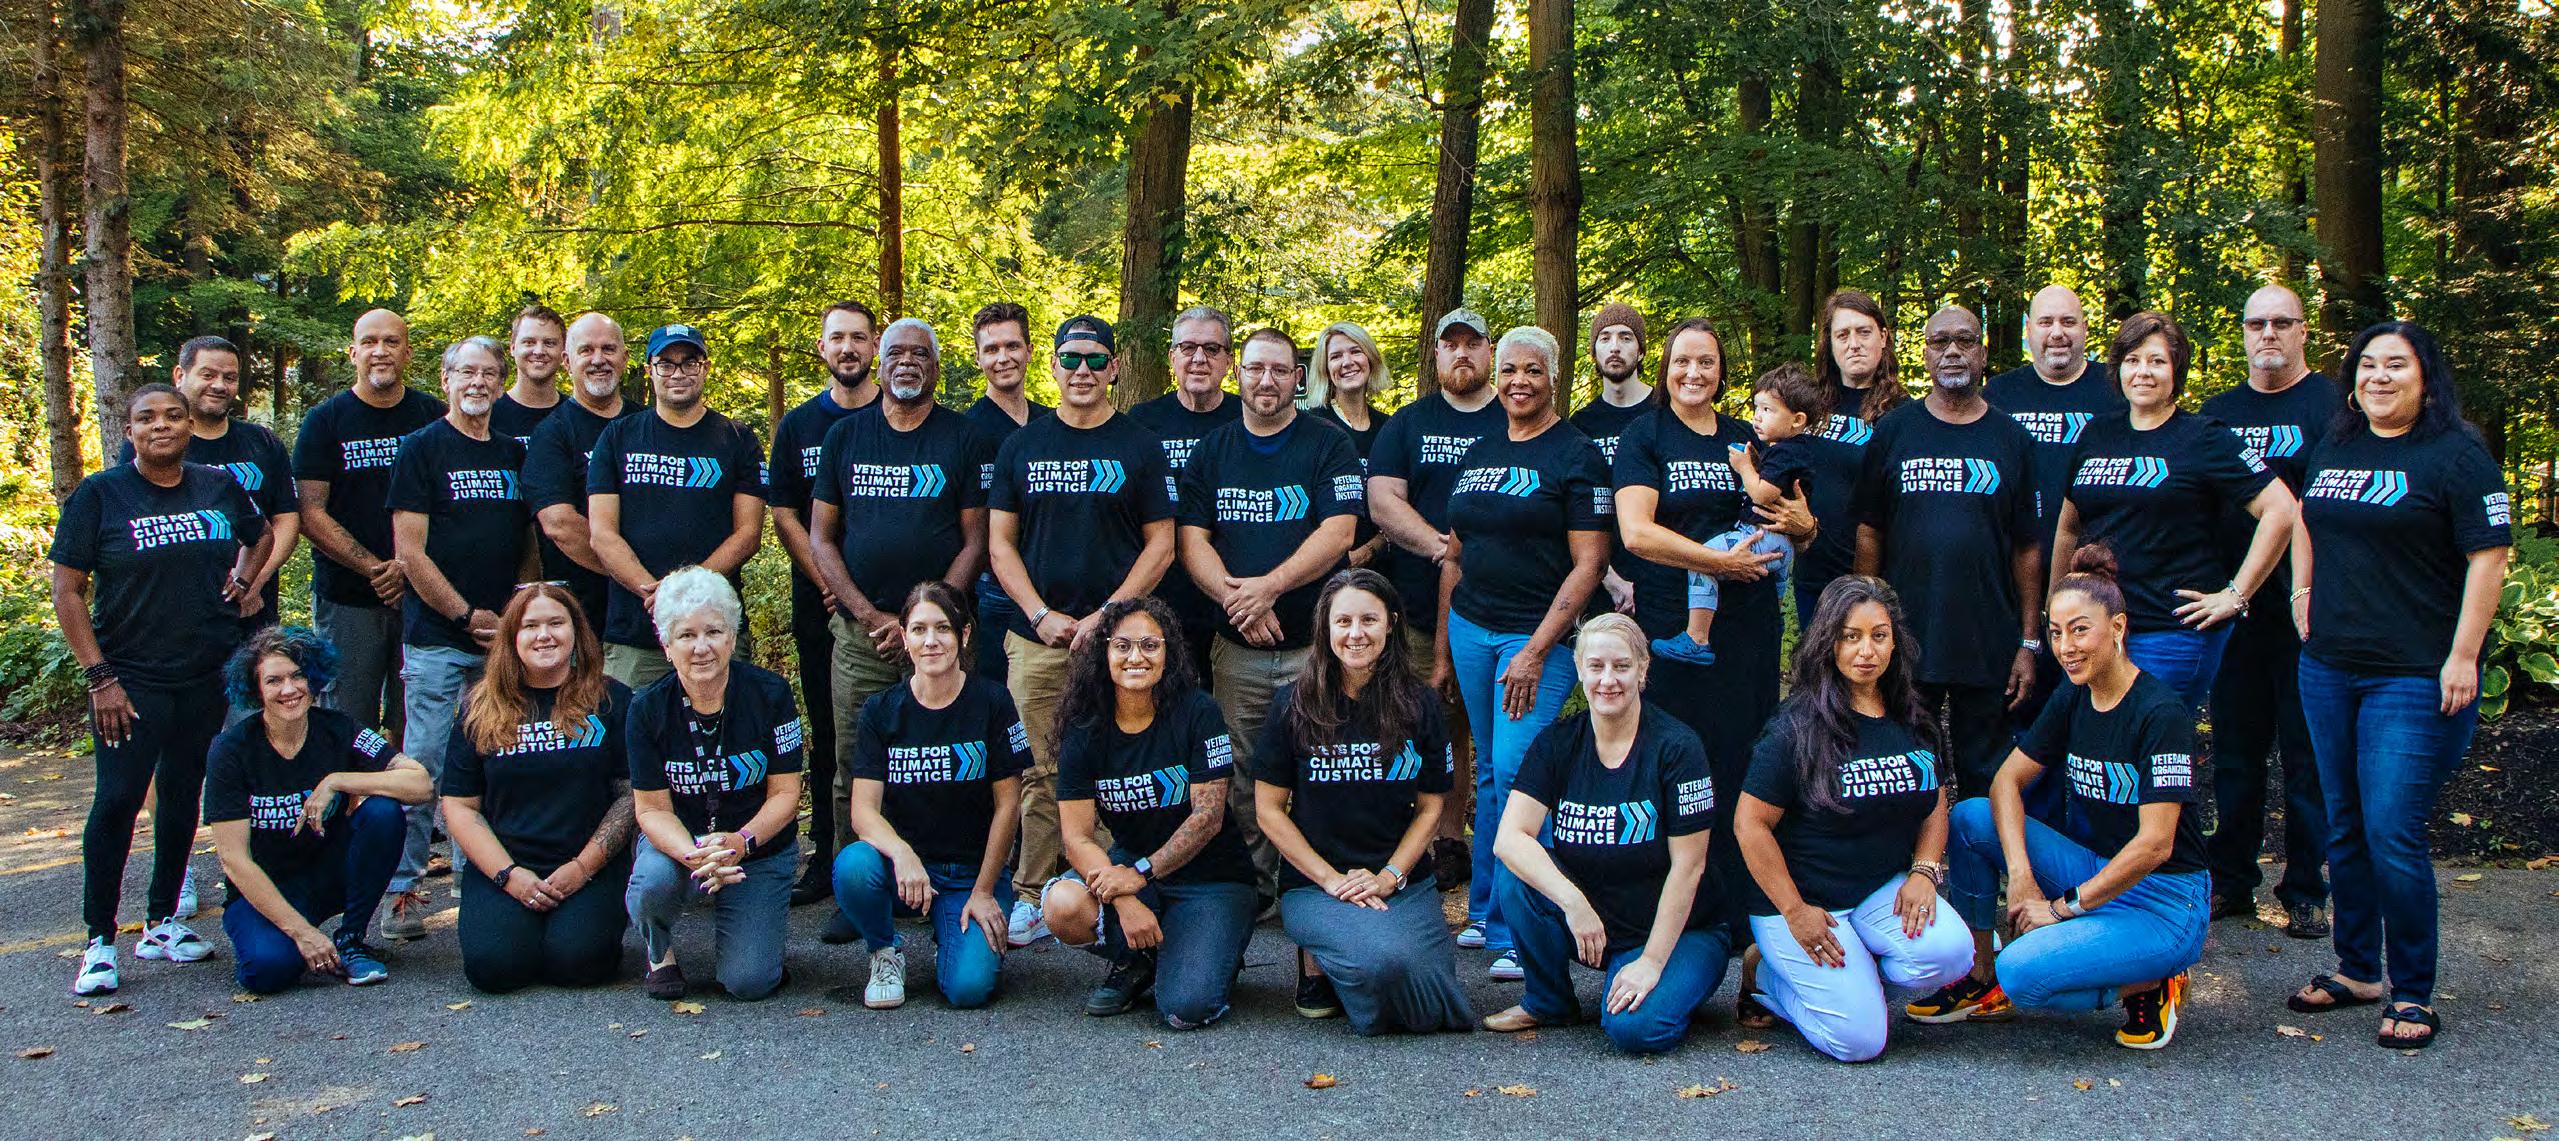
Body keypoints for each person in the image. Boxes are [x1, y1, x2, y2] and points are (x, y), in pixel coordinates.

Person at [2285, 321, 2510, 1051]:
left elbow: (2489, 556)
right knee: (2343, 823)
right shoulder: (2338, 442)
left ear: (2426, 378)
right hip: (2328, 666)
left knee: (2390, 828)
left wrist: (2463, 655)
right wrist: (2301, 591)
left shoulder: (2457, 455)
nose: (2378, 376)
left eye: (2396, 365)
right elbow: (2305, 517)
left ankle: (2411, 988)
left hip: (2412, 674)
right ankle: (2357, 970)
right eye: (2367, 365)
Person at [1907, 545, 2210, 1051]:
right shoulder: (2074, 693)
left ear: (2118, 628)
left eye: (2080, 630)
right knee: (1971, 817)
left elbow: (2156, 845)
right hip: (2099, 868)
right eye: (2055, 632)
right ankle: (1980, 977)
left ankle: (2151, 981)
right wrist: (2021, 877)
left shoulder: (2161, 714)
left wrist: (2063, 909)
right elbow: (2006, 781)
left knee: (2023, 974)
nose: (2065, 647)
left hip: (2166, 901)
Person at [53, 384, 271, 995]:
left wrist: (244, 581)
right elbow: (68, 591)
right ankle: (99, 940)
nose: (162, 426)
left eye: (174, 415)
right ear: (129, 431)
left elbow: (260, 535)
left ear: (188, 426)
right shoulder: (101, 495)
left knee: (181, 796)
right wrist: (100, 677)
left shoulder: (215, 485)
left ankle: (161, 923)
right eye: (146, 418)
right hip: (130, 679)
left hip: (204, 672)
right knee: (118, 801)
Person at [1612, 318, 1815, 932]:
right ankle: (1671, 909)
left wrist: (1805, 527)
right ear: (1664, 368)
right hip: (1675, 630)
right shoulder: (1645, 435)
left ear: (1722, 373)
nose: (1693, 373)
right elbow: (1636, 533)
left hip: (1748, 633)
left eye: (1706, 362)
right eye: (1682, 361)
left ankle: (1739, 913)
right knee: (1676, 761)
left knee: (1741, 760)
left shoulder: (1745, 437)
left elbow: (1794, 516)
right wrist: (1717, 563)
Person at [988, 315, 1177, 948]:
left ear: (1114, 368)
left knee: (1121, 762)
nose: (1083, 371)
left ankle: (1109, 885)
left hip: (1121, 643)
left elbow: (1162, 543)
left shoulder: (1139, 445)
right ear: (1053, 366)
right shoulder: (1022, 446)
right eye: (1071, 359)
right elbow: (1000, 544)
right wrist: (1039, 613)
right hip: (1037, 637)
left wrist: (1108, 619)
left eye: (1096, 359)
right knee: (1039, 769)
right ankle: (1032, 892)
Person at [1732, 577, 1972, 1062]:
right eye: (1851, 636)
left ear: (1894, 642)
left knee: (1952, 954)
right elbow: (1749, 824)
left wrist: (1925, 871)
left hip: (1877, 891)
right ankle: (1767, 980)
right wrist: (1794, 911)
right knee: (1858, 1042)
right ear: (1828, 642)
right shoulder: (1796, 727)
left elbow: (1934, 800)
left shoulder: (1912, 716)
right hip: (1804, 904)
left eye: (1879, 636)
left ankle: (1853, 977)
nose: (1867, 651)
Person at [1435, 325, 1613, 979]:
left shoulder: (1577, 454)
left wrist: (1536, 650)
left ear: (1553, 378)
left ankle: (1525, 928)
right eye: (1509, 369)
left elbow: (1590, 563)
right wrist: (1442, 651)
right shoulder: (1480, 447)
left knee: (1517, 773)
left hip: (1535, 636)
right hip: (1470, 628)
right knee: (1487, 772)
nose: (1518, 381)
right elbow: (1455, 555)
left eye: (1533, 370)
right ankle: (1486, 912)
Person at [809, 317, 992, 941]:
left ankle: (954, 884)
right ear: (880, 363)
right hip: (863, 635)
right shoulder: (844, 436)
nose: (907, 362)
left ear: (936, 366)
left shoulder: (963, 438)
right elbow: (822, 538)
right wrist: (870, 616)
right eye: (895, 353)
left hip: (943, 636)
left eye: (920, 353)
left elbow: (976, 539)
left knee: (955, 761)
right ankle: (854, 891)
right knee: (852, 763)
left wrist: (932, 617)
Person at [1480, 614, 1725, 1053]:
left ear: (1643, 670)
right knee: (1519, 873)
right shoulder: (1557, 743)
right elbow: (1510, 838)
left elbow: (1689, 868)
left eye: (1621, 666)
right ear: (1579, 670)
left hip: (1680, 929)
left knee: (1636, 1030)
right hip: (1593, 920)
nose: (1608, 680)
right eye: (1595, 666)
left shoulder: (1677, 747)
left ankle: (1667, 978)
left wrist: (1651, 963)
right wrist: (1572, 902)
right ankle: (1548, 1001)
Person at [1178, 327, 1363, 893]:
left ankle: (1313, 882)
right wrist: (1241, 602)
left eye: (1280, 370)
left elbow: (1340, 532)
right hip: (1238, 647)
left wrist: (1270, 588)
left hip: (1317, 645)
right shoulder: (1212, 451)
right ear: (1238, 373)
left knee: (1325, 764)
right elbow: (1191, 541)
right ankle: (1254, 886)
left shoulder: (1328, 444)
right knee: (1242, 768)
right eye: (1256, 368)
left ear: (1298, 378)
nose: (1267, 380)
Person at [1253, 569, 1474, 1035]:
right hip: (1316, 883)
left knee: (1439, 1002)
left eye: (1369, 620)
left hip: (1402, 879)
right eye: (1344, 621)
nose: (1356, 633)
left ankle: (1344, 957)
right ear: (1325, 627)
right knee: (1386, 964)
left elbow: (1431, 807)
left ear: (1391, 623)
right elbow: (1268, 810)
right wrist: (1332, 880)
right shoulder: (1292, 704)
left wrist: (1390, 877)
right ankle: (1322, 958)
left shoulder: (1420, 704)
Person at [2050, 311, 2298, 713]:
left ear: (2176, 370)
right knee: (2099, 740)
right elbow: (2068, 528)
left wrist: (2235, 596)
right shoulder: (2097, 434)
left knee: (2143, 737)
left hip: (2170, 634)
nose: (2143, 372)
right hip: (2097, 630)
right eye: (2132, 360)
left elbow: (2281, 510)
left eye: (2157, 361)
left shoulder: (2204, 437)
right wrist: (2056, 607)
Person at [1041, 598, 1258, 1028]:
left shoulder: (1198, 712)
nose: (1135, 657)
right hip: (1132, 872)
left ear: (1168, 653)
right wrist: (1124, 899)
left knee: (1187, 1007)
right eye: (1122, 646)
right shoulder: (1085, 728)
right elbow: (1077, 837)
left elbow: (1207, 819)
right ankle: (1136, 959)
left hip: (1212, 879)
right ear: (1104, 653)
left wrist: (1141, 873)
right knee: (1063, 903)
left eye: (1149, 645)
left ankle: (1203, 951)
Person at [1852, 306, 2042, 797]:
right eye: (1940, 342)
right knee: (1909, 772)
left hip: (1989, 639)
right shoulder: (1894, 432)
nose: (1952, 351)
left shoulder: (2013, 439)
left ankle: (1979, 851)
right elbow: (1869, 531)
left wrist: (2028, 642)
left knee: (1988, 778)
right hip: (1909, 636)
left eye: (1964, 340)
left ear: (1983, 353)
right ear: (1925, 354)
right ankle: (1919, 851)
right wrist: (1869, 618)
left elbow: (2028, 547)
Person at [381, 335, 534, 940]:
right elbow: (409, 551)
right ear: (445, 380)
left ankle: (481, 882)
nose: (478, 383)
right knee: (424, 765)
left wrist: (520, 610)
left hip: (501, 642)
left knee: (494, 761)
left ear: (501, 381)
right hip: (438, 639)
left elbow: (526, 540)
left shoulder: (511, 451)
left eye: (489, 373)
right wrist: (465, 614)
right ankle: (402, 889)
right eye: (466, 372)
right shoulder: (421, 448)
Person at [2201, 285, 2341, 935]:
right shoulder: (2217, 414)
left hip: (2308, 612)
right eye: (2256, 323)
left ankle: (2306, 887)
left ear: (2303, 331)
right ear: (2242, 331)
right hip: (2232, 609)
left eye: (2281, 322)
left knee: (2306, 755)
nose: (2268, 334)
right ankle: (2232, 879)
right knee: (2234, 754)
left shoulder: (2333, 407)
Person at [205, 626, 433, 994]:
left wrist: (338, 781)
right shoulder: (231, 750)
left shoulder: (339, 729)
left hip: (329, 874)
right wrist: (302, 933)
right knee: (267, 970)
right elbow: (234, 860)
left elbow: (420, 783)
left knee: (383, 812)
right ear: (256, 689)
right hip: (266, 885)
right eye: (274, 680)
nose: (289, 689)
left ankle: (352, 939)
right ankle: (299, 939)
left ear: (312, 680)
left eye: (297, 676)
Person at [833, 581, 1027, 1010]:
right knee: (853, 866)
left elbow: (1008, 806)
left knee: (968, 990)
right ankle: (885, 951)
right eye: (919, 630)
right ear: (904, 637)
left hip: (971, 872)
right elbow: (863, 812)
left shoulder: (993, 702)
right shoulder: (881, 710)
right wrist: (902, 853)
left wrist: (983, 891)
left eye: (943, 628)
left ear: (964, 634)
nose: (931, 640)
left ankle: (953, 938)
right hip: (906, 870)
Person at [442, 585, 635, 994]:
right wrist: (508, 876)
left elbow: (630, 795)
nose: (544, 635)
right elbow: (460, 806)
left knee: (578, 963)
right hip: (506, 862)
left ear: (576, 632)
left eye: (555, 623)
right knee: (494, 969)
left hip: (588, 864)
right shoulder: (479, 706)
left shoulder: (612, 699)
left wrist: (582, 868)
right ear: (512, 637)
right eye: (530, 626)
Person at [625, 567, 806, 1001]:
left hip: (756, 845)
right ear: (667, 646)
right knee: (652, 882)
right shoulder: (647, 709)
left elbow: (786, 793)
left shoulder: (771, 695)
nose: (701, 647)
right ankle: (659, 951)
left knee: (749, 982)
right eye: (686, 635)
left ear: (732, 637)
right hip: (681, 844)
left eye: (713, 632)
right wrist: (697, 855)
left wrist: (741, 841)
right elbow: (651, 809)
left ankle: (755, 940)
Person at [1367, 307, 1503, 885]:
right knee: (1424, 725)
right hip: (1418, 610)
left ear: (1490, 351)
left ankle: (1456, 841)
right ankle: (1408, 840)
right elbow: (1383, 500)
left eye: (1473, 343)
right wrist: (1444, 549)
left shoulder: (1514, 415)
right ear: (1437, 354)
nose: (1462, 353)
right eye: (1452, 344)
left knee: (1478, 733)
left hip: (1502, 608)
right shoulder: (1409, 423)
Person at [770, 301, 883, 904]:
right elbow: (785, 513)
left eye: (859, 338)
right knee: (832, 731)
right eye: (837, 337)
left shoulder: (901, 416)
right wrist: (828, 580)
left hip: (895, 614)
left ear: (875, 347)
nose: (848, 348)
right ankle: (830, 857)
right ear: (822, 347)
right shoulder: (799, 426)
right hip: (821, 607)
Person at [586, 324, 767, 687]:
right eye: (666, 364)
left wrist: (685, 593)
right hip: (636, 633)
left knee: (723, 721)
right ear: (649, 370)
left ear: (706, 368)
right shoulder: (618, 436)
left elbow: (748, 534)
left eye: (689, 362)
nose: (678, 373)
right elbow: (602, 534)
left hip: (715, 629)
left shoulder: (737, 439)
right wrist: (658, 595)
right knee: (632, 721)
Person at [293, 308, 446, 731]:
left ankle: (402, 781)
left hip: (423, 596)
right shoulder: (325, 421)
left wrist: (409, 569)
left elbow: (450, 504)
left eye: (391, 342)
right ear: (353, 353)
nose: (380, 351)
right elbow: (309, 511)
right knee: (345, 720)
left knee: (412, 720)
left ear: (408, 353)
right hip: (348, 598)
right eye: (370, 342)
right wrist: (377, 569)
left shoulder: (433, 416)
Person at [1987, 286, 2123, 726]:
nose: (2057, 333)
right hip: (2011, 580)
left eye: (2068, 322)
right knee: (2018, 711)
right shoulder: (1999, 395)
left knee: (2092, 710)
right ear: (2028, 330)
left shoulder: (2115, 392)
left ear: (2085, 328)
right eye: (2046, 322)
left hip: (2096, 579)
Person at [120, 335, 300, 634]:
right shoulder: (155, 444)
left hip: (254, 613)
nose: (219, 385)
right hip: (174, 616)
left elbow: (286, 518)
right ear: (180, 375)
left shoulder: (262, 442)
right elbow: (137, 526)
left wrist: (254, 578)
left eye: (229, 378)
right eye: (208, 375)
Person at [1652, 363, 1822, 666]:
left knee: (1703, 558)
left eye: (1768, 410)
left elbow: (1762, 494)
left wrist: (1745, 468)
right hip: (1781, 543)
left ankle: (1697, 638)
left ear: (1797, 420)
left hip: (1763, 536)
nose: (1758, 416)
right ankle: (1773, 629)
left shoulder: (1787, 451)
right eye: (1757, 407)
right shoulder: (1789, 449)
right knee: (1774, 600)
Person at [1128, 305, 1245, 672]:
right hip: (1160, 590)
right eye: (1188, 347)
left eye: (1212, 349)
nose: (1199, 359)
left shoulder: (1248, 418)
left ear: (1229, 361)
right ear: (1172, 357)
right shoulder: (1142, 422)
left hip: (1232, 590)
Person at [524, 313, 638, 630]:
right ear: (567, 361)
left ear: (625, 357)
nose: (598, 359)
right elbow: (559, 524)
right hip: (583, 612)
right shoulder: (552, 433)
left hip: (650, 611)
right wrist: (635, 573)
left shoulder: (648, 424)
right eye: (586, 350)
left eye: (608, 349)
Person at [1795, 291, 1901, 623]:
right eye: (1843, 335)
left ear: (1883, 337)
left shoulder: (1904, 416)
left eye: (1863, 332)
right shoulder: (1808, 407)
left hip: (1873, 582)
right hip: (1813, 577)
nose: (1854, 344)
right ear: (1829, 344)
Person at [963, 302, 1052, 681]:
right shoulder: (964, 431)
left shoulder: (1052, 423)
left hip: (1049, 588)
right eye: (992, 349)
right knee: (996, 700)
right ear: (978, 358)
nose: (1003, 358)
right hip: (990, 593)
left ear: (1029, 351)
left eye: (1012, 346)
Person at [1570, 303, 1653, 620]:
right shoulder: (1581, 426)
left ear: (1641, 351)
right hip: (1603, 582)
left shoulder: (1665, 413)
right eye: (1604, 338)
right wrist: (1609, 578)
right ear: (1594, 353)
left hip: (1664, 578)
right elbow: (1574, 510)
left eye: (1625, 337)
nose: (1615, 346)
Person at [1303, 320, 1390, 572]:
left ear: (1370, 358)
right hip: (1321, 569)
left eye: (1355, 351)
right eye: (1336, 356)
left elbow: (1401, 501)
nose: (1347, 362)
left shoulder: (1390, 428)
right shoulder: (1311, 427)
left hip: (1381, 570)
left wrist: (1371, 549)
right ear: (1325, 369)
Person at [493, 303, 568, 445]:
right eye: (529, 342)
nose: (539, 351)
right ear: (512, 348)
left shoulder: (575, 416)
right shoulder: (489, 415)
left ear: (564, 351)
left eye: (549, 343)